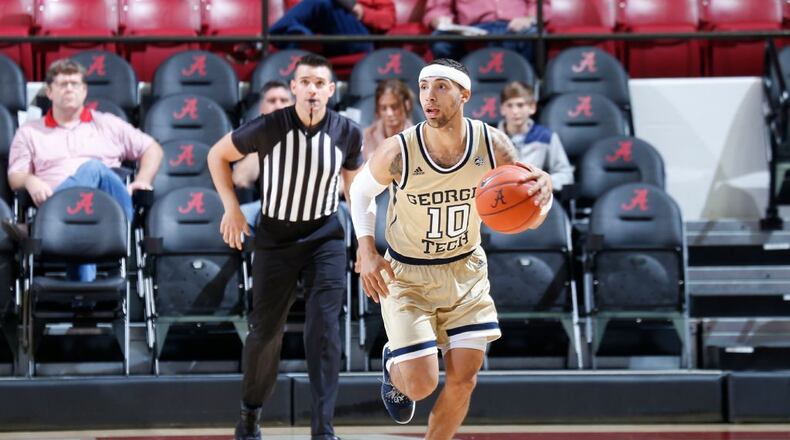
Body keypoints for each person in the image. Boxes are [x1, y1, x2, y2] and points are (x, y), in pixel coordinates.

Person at [349, 59, 553, 439]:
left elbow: (530, 213)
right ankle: (394, 363)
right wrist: (365, 249)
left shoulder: (492, 144)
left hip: (466, 271)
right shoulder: (399, 150)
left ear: (464, 94)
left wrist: (543, 196)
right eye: (425, 87)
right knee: (421, 385)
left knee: (464, 379)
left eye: (441, 86)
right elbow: (360, 191)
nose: (430, 95)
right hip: (408, 276)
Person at [207, 54, 363, 440]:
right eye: (305, 81)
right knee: (266, 334)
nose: (312, 89)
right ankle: (250, 414)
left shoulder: (348, 132)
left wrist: (366, 242)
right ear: (294, 87)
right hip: (275, 239)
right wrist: (232, 209)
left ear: (331, 90)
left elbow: (354, 190)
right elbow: (217, 155)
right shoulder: (269, 126)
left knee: (324, 331)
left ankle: (323, 429)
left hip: (324, 238)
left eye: (319, 83)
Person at [6, 59, 163, 281]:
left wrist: (143, 178)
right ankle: (83, 311)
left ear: (84, 91)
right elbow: (15, 176)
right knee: (79, 227)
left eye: (74, 84)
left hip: (112, 212)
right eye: (62, 84)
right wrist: (31, 180)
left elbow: (152, 148)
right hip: (72, 223)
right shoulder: (30, 132)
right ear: (49, 92)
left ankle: (39, 223)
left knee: (94, 168)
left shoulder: (108, 124)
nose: (69, 88)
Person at [232, 80, 295, 230]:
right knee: (243, 213)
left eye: (284, 100)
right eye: (272, 101)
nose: (278, 105)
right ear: (262, 108)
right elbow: (240, 179)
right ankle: (251, 254)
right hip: (269, 206)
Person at [499, 80, 574, 192]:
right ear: (502, 109)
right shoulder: (491, 138)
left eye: (520, 105)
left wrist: (546, 181)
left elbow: (566, 174)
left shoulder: (546, 137)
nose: (515, 111)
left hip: (535, 195)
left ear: (532, 107)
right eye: (509, 105)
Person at [423, 0, 550, 64]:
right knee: (440, 40)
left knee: (535, 34)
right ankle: (457, 90)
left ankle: (526, 89)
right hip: (473, 32)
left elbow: (540, 4)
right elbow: (437, 9)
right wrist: (440, 21)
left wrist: (529, 19)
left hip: (515, 29)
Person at [270, 0, 396, 57]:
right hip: (328, 40)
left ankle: (269, 36)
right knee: (297, 29)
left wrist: (360, 11)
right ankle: (300, 35)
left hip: (359, 39)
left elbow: (388, 20)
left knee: (323, 2)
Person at [362, 78, 414, 161]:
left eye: (394, 107)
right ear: (378, 110)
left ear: (407, 105)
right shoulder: (366, 137)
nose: (389, 113)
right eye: (383, 108)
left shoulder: (418, 137)